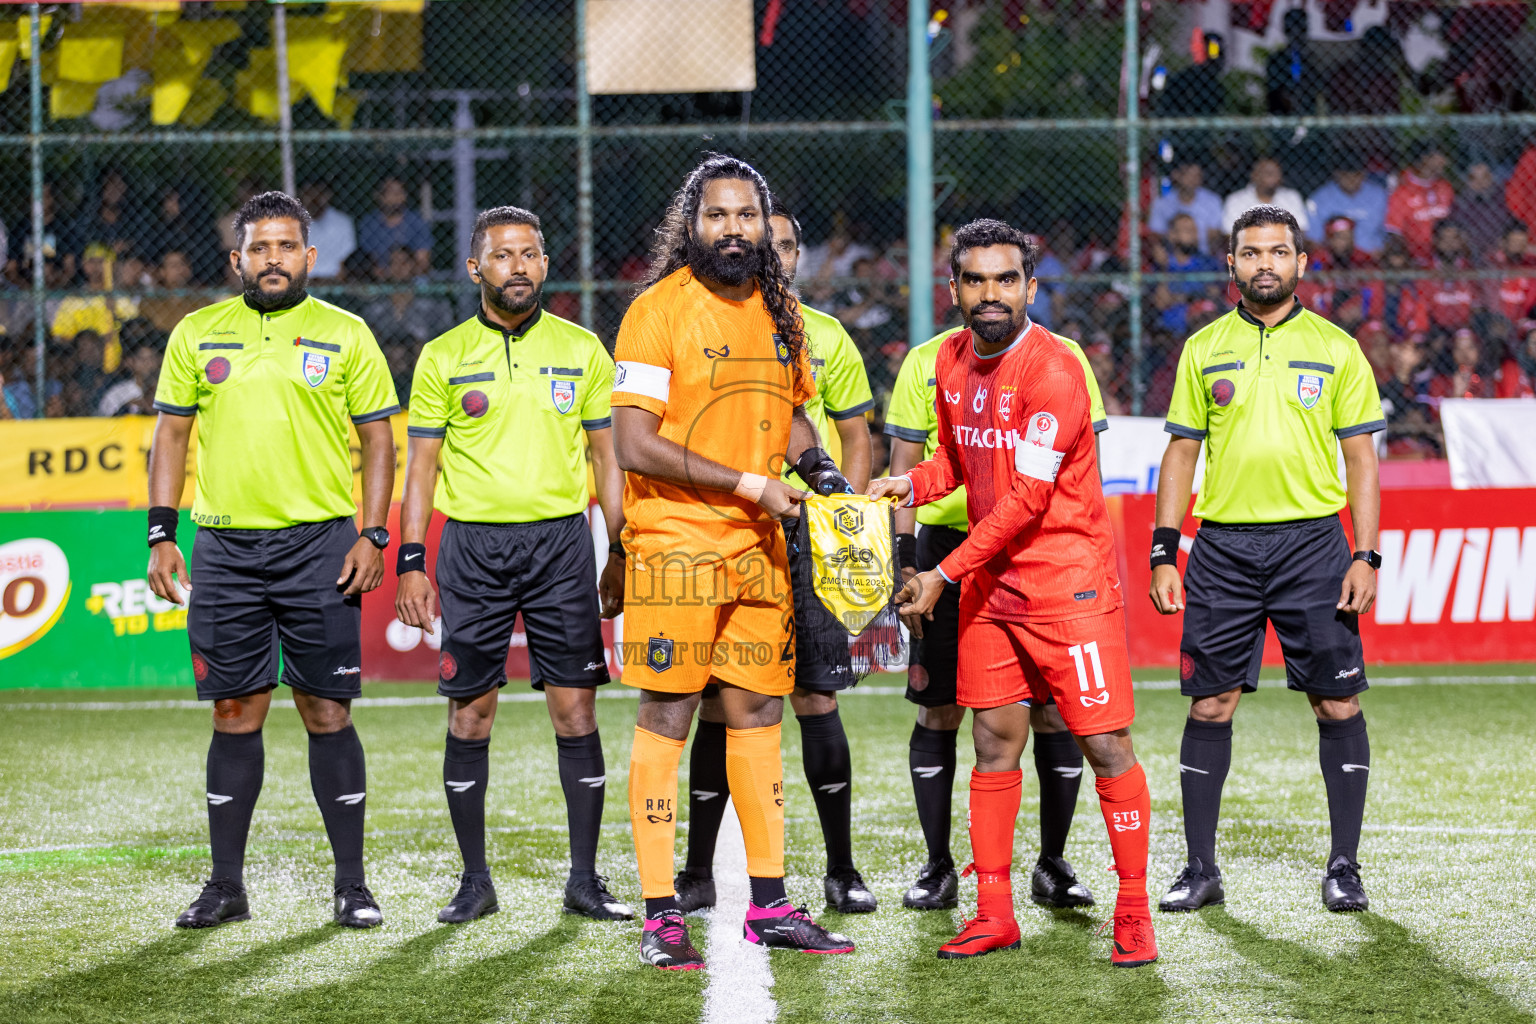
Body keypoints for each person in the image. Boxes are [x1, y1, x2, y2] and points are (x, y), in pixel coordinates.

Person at [869, 218, 1157, 967]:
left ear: (1031, 287)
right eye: (975, 279)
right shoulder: (951, 363)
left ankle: (1133, 909)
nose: (990, 294)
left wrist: (941, 573)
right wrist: (913, 481)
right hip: (994, 593)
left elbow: (1026, 498)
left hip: (1067, 589)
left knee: (1104, 744)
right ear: (955, 288)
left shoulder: (1054, 370)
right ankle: (994, 912)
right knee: (993, 743)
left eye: (1006, 279)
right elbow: (961, 467)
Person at [611, 154, 853, 970]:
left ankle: (772, 904)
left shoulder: (781, 312)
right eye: (717, 215)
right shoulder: (655, 310)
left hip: (758, 551)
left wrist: (817, 469)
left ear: (764, 222)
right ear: (692, 225)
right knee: (669, 719)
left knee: (756, 718)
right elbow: (636, 443)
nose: (734, 229)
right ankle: (658, 914)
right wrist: (751, 481)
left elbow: (791, 418)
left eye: (746, 215)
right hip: (675, 548)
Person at [145, 191, 400, 930]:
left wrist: (373, 534)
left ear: (310, 257)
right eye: (260, 248)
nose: (274, 260)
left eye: (287, 247)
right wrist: (162, 533)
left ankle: (351, 885)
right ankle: (227, 886)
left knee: (326, 709)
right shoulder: (197, 333)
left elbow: (379, 440)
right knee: (234, 710)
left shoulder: (346, 334)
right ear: (237, 260)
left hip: (321, 544)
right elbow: (170, 438)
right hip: (224, 549)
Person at [394, 205, 632, 925]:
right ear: (475, 268)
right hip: (471, 550)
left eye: (530, 253)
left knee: (575, 709)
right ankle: (474, 881)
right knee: (471, 715)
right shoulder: (441, 356)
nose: (519, 266)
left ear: (545, 264)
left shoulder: (584, 348)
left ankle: (584, 880)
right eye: (502, 256)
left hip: (562, 546)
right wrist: (410, 559)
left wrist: (618, 547)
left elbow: (606, 458)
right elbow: (422, 468)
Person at [1151, 204, 1384, 915]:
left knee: (1336, 698)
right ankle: (1199, 870)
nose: (1264, 264)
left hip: (1314, 544)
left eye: (1278, 252)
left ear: (1301, 263)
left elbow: (1363, 460)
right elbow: (1182, 452)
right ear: (1231, 265)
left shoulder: (1338, 347)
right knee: (1210, 701)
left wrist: (1366, 554)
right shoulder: (1204, 347)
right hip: (1222, 546)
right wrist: (1166, 550)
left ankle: (1344, 866)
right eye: (1250, 253)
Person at [672, 203, 878, 916]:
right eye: (771, 242)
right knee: (719, 702)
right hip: (728, 529)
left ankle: (841, 869)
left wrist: (837, 509)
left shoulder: (823, 336)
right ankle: (697, 870)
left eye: (790, 245)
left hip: (806, 540)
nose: (779, 256)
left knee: (817, 696)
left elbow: (856, 433)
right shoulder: (699, 322)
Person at [360, 246, 456, 345]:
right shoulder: (377, 302)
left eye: (404, 262)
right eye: (394, 263)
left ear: (414, 266)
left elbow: (447, 329)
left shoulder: (431, 300)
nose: (399, 268)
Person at [1385, 140, 1455, 261]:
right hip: (1413, 260)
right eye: (1439, 157)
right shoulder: (1402, 190)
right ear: (1424, 159)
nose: (1445, 162)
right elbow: (1394, 232)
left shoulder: (1445, 187)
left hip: (1444, 259)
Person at [1306, 158, 1388, 255]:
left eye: (1356, 175)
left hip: (1372, 255)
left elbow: (1390, 232)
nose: (1351, 180)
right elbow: (1313, 240)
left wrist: (1384, 252)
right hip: (1334, 257)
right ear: (1337, 175)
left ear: (1364, 175)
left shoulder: (1379, 195)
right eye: (1346, 176)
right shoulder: (1319, 198)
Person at [357, 176, 432, 276]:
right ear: (379, 196)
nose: (397, 197)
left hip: (411, 278)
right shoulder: (369, 223)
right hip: (380, 278)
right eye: (391, 192)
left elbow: (423, 263)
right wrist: (387, 273)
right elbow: (368, 261)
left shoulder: (417, 222)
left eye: (400, 192)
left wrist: (402, 270)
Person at [1149, 161, 1226, 256]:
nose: (1194, 180)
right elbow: (1156, 233)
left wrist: (1190, 238)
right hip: (1172, 255)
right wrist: (1175, 237)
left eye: (1197, 176)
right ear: (1177, 175)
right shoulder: (1162, 203)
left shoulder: (1213, 200)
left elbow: (1215, 234)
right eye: (1189, 175)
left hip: (1203, 255)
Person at [1221, 157, 1310, 235]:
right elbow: (1229, 234)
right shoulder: (1236, 199)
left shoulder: (1292, 197)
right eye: (1266, 172)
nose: (1271, 175)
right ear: (1254, 175)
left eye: (1275, 172)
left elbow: (1300, 231)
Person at [97, 323, 163, 416]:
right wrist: (126, 408)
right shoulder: (117, 394)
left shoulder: (168, 391)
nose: (148, 364)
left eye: (152, 358)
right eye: (142, 359)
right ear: (130, 362)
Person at [1450, 162, 1510, 263]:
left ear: (1491, 178)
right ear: (1467, 181)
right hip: (1470, 251)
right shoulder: (1460, 202)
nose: (1480, 182)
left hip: (1499, 248)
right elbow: (1458, 228)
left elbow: (1508, 224)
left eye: (1484, 177)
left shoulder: (1502, 198)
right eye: (1474, 178)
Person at [300, 180, 357, 281]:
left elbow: (347, 258)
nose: (314, 200)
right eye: (310, 194)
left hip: (334, 281)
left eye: (319, 195)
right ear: (303, 196)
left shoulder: (342, 222)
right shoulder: (292, 223)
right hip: (304, 283)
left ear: (327, 197)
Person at [140, 250, 204, 334]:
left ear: (189, 269)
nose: (179, 269)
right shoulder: (149, 304)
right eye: (173, 265)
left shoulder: (202, 302)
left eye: (182, 264)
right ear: (162, 272)